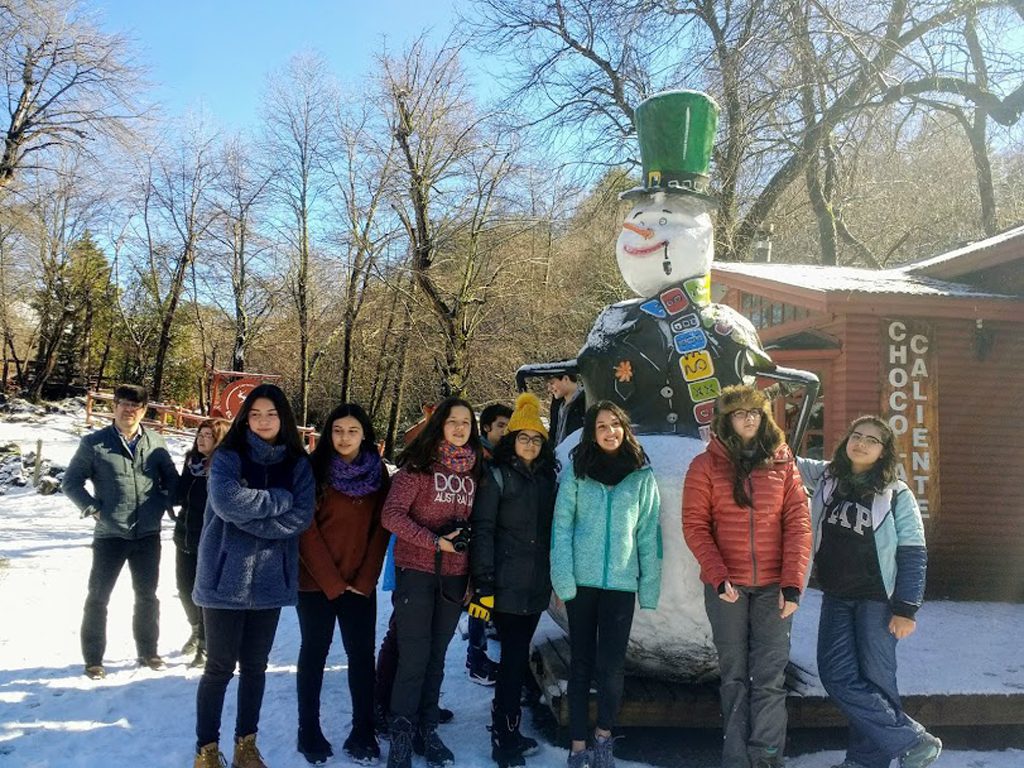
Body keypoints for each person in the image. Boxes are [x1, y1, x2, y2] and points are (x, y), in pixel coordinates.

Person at [797, 417, 941, 768]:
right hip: (836, 596)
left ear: (884, 452)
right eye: (856, 436)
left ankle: (865, 762)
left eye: (872, 440)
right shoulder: (828, 476)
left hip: (879, 601)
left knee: (876, 679)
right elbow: (786, 458)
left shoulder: (896, 493)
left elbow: (913, 551)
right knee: (835, 674)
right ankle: (912, 741)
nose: (861, 443)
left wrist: (906, 608)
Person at [682, 385, 811, 768]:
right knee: (734, 677)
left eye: (755, 411)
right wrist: (718, 575)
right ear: (726, 421)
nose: (749, 418)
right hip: (728, 589)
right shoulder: (705, 466)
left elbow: (798, 524)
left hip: (775, 588)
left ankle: (767, 757)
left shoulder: (783, 462)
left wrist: (792, 583)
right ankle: (736, 758)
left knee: (769, 677)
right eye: (739, 413)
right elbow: (695, 526)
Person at [191, 384, 315, 768]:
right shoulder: (228, 456)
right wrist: (279, 500)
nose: (263, 421)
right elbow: (227, 503)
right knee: (218, 668)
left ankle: (246, 745)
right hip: (222, 578)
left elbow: (302, 517)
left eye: (271, 414)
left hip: (270, 580)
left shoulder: (297, 464)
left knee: (255, 668)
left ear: (284, 418)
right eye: (256, 413)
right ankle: (206, 750)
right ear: (246, 418)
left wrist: (251, 515)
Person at [550, 401, 662, 768]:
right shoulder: (578, 470)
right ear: (592, 433)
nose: (610, 431)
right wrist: (563, 579)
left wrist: (649, 586)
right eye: (601, 426)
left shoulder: (641, 474)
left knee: (612, 666)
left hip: (620, 584)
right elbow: (562, 526)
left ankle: (603, 738)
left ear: (625, 429)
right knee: (581, 663)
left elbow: (648, 533)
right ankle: (577, 745)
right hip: (581, 583)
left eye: (615, 424)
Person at [381, 397, 482, 768]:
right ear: (440, 424)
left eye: (466, 422)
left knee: (437, 658)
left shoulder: (476, 472)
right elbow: (391, 515)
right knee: (413, 657)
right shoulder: (418, 467)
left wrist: (472, 575)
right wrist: (434, 541)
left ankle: (427, 729)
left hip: (455, 578)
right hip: (416, 572)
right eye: (452, 421)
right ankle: (401, 734)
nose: (459, 428)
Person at [296, 404, 391, 765]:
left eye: (352, 431)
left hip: (358, 583)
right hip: (315, 582)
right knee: (314, 653)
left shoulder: (378, 473)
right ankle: (309, 729)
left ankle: (363, 731)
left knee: (361, 657)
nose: (344, 437)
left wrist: (364, 580)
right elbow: (305, 529)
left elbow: (381, 528)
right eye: (337, 430)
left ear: (364, 434)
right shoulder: (312, 468)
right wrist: (333, 583)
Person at [64, 383, 178, 680]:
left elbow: (172, 480)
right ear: (114, 406)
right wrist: (94, 509)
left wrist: (162, 503)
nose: (129, 410)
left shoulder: (156, 442)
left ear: (144, 410)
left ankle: (149, 652)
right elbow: (71, 482)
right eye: (124, 404)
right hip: (110, 534)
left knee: (147, 596)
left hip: (148, 533)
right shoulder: (95, 443)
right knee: (98, 597)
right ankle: (93, 660)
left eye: (135, 406)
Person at [470, 393, 557, 768]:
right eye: (523, 437)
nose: (530, 444)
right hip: (505, 584)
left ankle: (508, 727)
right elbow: (483, 530)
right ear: (512, 440)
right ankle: (504, 737)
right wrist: (485, 584)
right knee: (511, 659)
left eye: (537, 439)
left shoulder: (547, 478)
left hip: (535, 585)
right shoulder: (497, 476)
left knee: (516, 658)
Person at [172, 418, 227, 669]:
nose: (202, 439)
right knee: (185, 589)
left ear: (219, 440)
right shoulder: (191, 463)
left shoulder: (223, 468)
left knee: (204, 593)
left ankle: (205, 646)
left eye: (208, 436)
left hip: (209, 540)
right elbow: (179, 494)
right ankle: (195, 629)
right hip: (184, 535)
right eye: (200, 435)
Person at [467, 402, 512, 686]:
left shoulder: (498, 456)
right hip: (478, 534)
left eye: (509, 426)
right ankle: (476, 659)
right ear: (486, 427)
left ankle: (477, 655)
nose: (505, 431)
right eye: (500, 426)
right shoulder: (480, 457)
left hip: (492, 535)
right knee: (478, 601)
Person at [547, 373, 585, 446]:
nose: (549, 389)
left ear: (566, 379)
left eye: (552, 383)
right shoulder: (558, 405)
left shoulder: (584, 403)